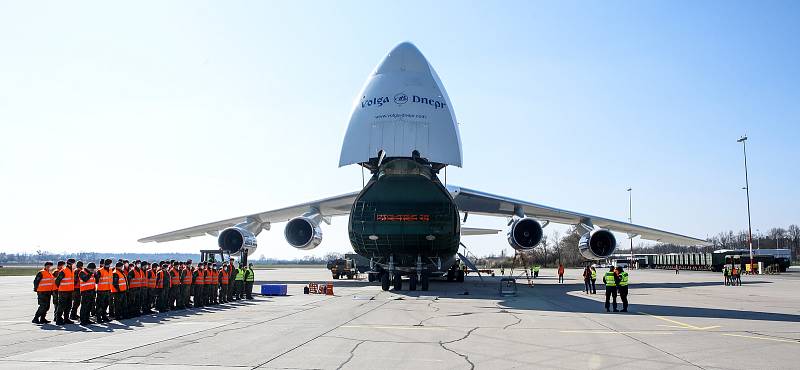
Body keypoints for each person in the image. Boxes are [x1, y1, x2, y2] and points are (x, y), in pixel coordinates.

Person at [54, 259, 76, 325]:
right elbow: (57, 281)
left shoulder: (71, 271)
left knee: (69, 306)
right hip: (63, 292)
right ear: (70, 264)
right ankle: (58, 319)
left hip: (70, 291)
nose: (74, 265)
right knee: (61, 306)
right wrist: (61, 288)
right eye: (73, 263)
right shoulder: (64, 271)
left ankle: (66, 319)